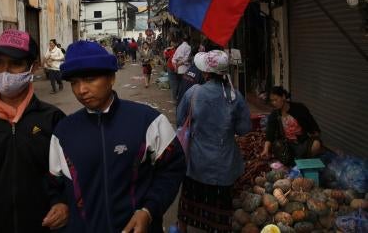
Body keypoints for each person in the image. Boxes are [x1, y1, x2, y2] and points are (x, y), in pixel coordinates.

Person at [49, 40, 186, 233]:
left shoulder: (148, 121)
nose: (81, 90)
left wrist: (148, 210)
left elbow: (173, 168)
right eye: (74, 83)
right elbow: (55, 185)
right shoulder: (63, 132)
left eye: (89, 79)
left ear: (111, 77)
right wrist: (59, 204)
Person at [0, 29, 68, 233]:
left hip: (42, 225)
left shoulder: (52, 119)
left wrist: (63, 203)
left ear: (33, 67)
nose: (4, 72)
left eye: (15, 64)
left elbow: (70, 177)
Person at [176, 50, 251, 233]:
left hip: (196, 162)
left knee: (188, 201)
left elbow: (180, 121)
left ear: (206, 73)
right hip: (223, 165)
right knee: (221, 208)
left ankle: (182, 228)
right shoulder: (235, 97)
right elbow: (244, 129)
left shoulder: (193, 93)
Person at [260, 86, 321, 164]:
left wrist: (316, 138)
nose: (274, 103)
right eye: (272, 101)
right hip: (287, 145)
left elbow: (313, 126)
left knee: (316, 144)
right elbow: (270, 134)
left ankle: (304, 160)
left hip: (302, 142)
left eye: (276, 100)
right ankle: (293, 160)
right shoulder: (274, 114)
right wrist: (266, 149)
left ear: (283, 97)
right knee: (278, 146)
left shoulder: (299, 108)